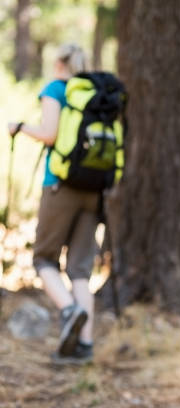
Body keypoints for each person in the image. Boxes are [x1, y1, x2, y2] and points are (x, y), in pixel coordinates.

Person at [7, 43, 96, 365]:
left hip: (60, 186)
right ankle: (85, 347)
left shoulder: (56, 89)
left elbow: (49, 133)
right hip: (94, 189)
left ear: (59, 63)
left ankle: (69, 310)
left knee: (44, 258)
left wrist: (18, 128)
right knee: (81, 270)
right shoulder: (95, 94)